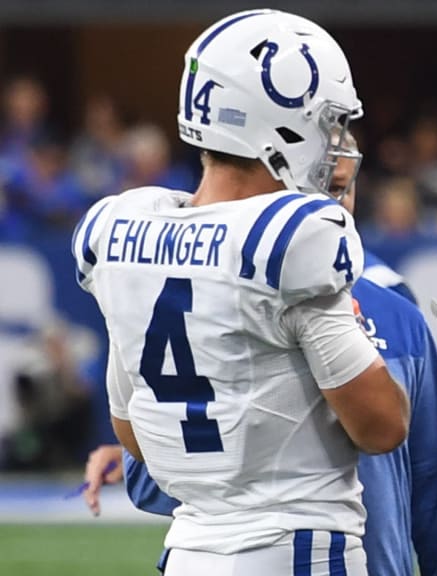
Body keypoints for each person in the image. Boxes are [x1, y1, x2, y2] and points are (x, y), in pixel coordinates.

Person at [71, 9, 410, 576]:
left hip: (188, 549)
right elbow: (383, 427)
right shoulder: (292, 239)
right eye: (328, 123)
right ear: (277, 126)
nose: (338, 142)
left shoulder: (124, 230)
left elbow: (132, 435)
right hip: (296, 547)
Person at [82, 136, 437, 576]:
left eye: (341, 188)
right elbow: (153, 475)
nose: (333, 207)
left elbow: (436, 481)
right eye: (319, 186)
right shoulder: (202, 297)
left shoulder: (398, 314)